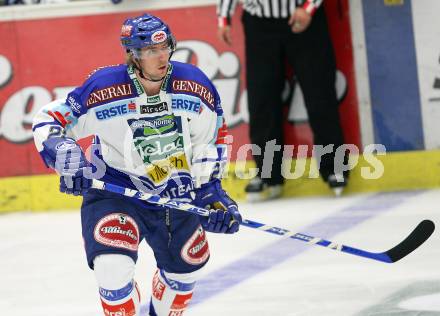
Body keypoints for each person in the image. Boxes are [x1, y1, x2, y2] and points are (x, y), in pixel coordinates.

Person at [32, 13, 242, 316]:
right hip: (117, 191)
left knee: (185, 273)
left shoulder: (195, 86)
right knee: (111, 270)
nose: (162, 56)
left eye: (165, 47)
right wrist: (65, 155)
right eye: (151, 51)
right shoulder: (103, 87)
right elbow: (49, 119)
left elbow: (212, 139)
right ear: (133, 55)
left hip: (175, 193)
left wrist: (210, 189)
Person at [217, 0, 349, 201]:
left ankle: (335, 167)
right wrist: (224, 17)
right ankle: (268, 174)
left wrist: (308, 8)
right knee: (262, 99)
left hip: (305, 19)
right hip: (259, 22)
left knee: (319, 93)